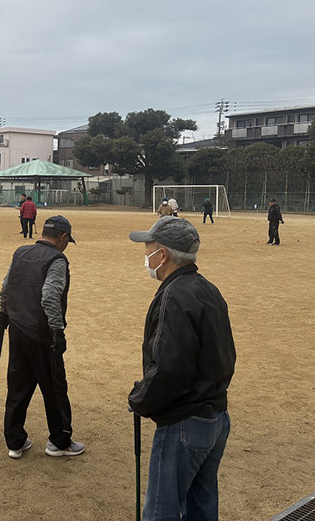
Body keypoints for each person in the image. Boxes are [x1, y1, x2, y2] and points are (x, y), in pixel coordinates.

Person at [127, 216, 235, 521]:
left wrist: (139, 400)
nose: (145, 256)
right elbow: (226, 355)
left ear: (163, 254)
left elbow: (170, 369)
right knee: (201, 507)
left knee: (162, 511)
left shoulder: (173, 295)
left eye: (147, 248)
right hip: (216, 416)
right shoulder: (207, 289)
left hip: (185, 422)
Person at [0, 215, 83, 459]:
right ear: (63, 238)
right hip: (41, 334)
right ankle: (60, 441)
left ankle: (15, 441)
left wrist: (3, 313)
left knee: (18, 387)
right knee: (54, 388)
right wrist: (57, 331)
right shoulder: (57, 259)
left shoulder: (20, 252)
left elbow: (5, 286)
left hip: (17, 329)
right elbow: (49, 296)